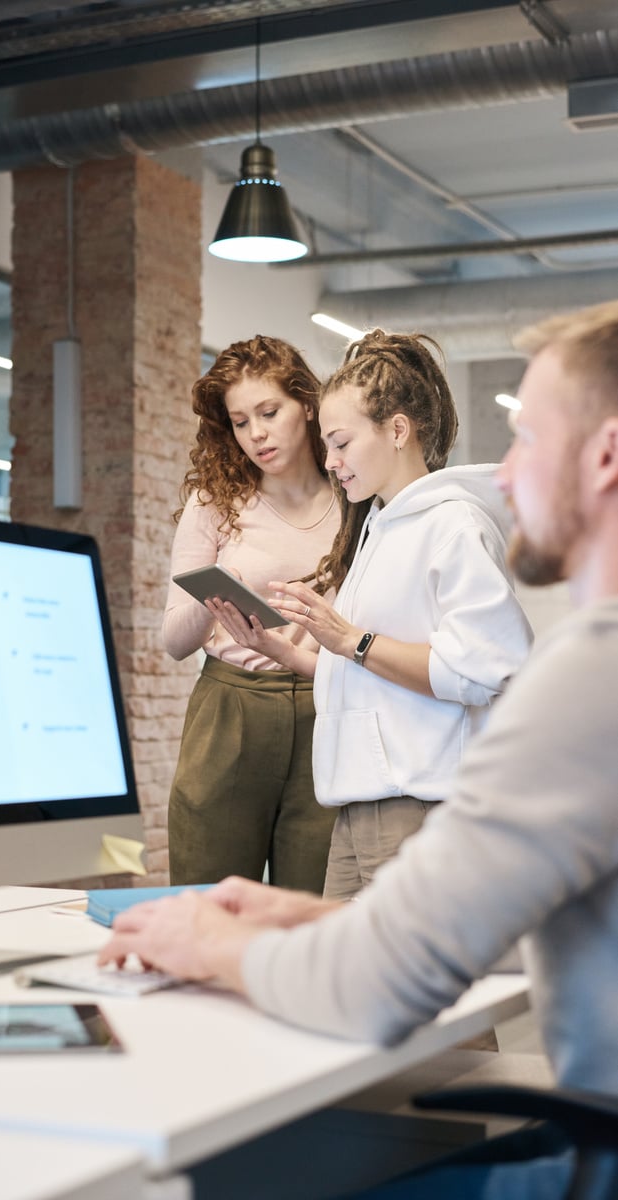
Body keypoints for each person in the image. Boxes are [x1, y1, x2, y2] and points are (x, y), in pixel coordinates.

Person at [99, 299, 618, 1197]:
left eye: (525, 437)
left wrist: (204, 941)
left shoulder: (589, 673)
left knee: (199, 1174)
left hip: (584, 1163)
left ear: (603, 457)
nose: (502, 471)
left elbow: (379, 986)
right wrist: (314, 921)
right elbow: (523, 938)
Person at [211, 329, 533, 900]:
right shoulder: (380, 529)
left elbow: (485, 669)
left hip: (417, 808)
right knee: (341, 980)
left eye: (340, 443)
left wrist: (351, 639)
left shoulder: (451, 525)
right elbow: (371, 675)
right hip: (358, 810)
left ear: (398, 430)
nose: (330, 464)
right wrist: (285, 651)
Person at [163, 335, 339, 891]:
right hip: (230, 706)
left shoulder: (355, 499)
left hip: (327, 708)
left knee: (313, 910)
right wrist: (213, 597)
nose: (256, 434)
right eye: (240, 422)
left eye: (269, 412)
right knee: (207, 898)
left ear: (306, 406)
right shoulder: (215, 501)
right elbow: (173, 641)